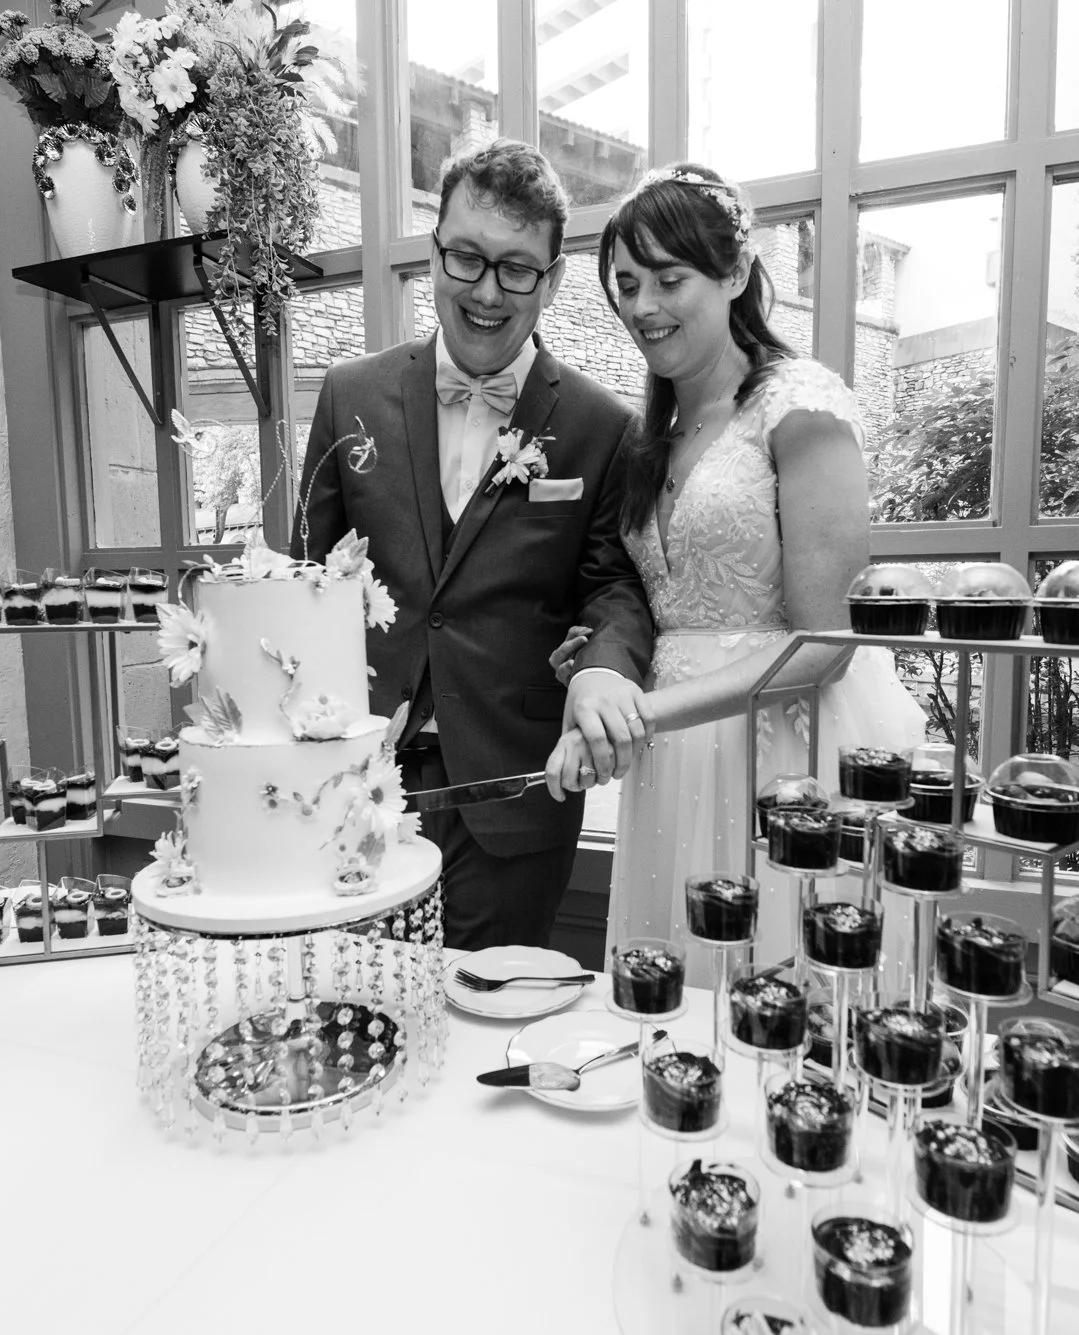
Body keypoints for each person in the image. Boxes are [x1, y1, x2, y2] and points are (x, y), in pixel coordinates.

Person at [545, 163, 927, 970]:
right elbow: (665, 602)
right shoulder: (654, 434)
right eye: (625, 283)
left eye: (668, 278)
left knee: (779, 994)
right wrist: (598, 663)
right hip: (671, 761)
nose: (643, 306)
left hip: (778, 756)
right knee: (678, 1009)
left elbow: (827, 642)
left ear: (737, 273)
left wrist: (656, 711)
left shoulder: (799, 406)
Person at [297, 139, 654, 951]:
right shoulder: (350, 393)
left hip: (514, 794)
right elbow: (308, 584)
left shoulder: (603, 426)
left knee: (487, 1035)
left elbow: (616, 588)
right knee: (359, 1010)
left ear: (555, 279)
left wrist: (602, 664)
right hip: (357, 785)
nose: (487, 291)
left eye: (517, 268)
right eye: (467, 258)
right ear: (433, 256)